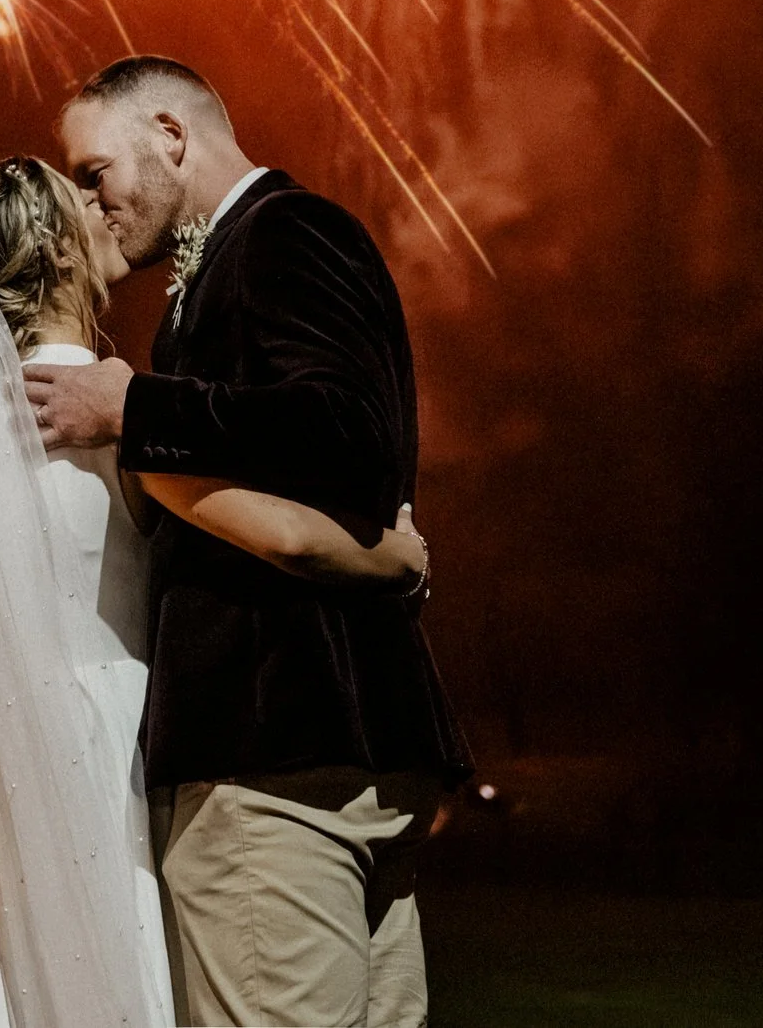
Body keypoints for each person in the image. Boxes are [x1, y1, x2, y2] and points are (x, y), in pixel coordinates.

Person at [0, 157, 430, 1019]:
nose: (107, 211)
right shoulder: (113, 418)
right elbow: (284, 537)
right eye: (85, 206)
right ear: (61, 258)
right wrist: (401, 559)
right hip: (103, 748)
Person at [27, 56, 475, 1028]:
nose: (88, 202)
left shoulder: (285, 233)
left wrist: (139, 404)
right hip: (342, 743)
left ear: (170, 135)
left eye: (95, 170)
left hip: (272, 746)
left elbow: (345, 430)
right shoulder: (247, 255)